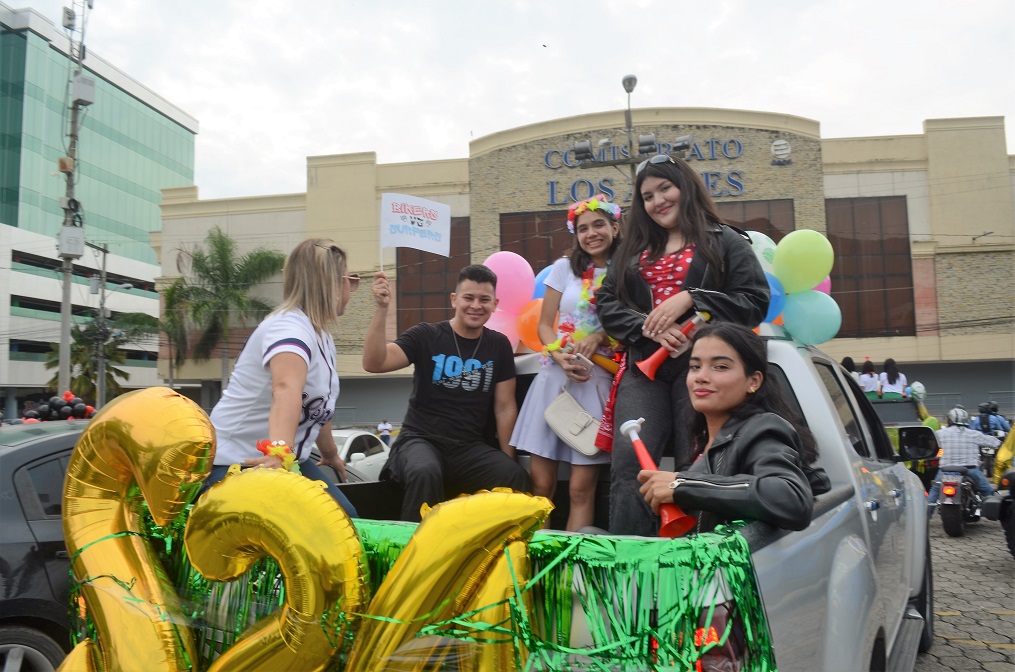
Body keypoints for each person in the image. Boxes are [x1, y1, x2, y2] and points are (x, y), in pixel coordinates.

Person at [596, 154, 769, 536]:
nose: (657, 201)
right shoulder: (629, 251)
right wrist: (647, 327)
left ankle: (699, 558)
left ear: (685, 186)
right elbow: (607, 304)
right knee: (629, 465)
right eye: (647, 196)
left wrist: (694, 297)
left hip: (704, 367)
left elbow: (754, 302)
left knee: (699, 465)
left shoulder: (726, 241)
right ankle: (628, 563)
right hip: (645, 368)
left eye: (665, 188)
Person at [200, 238, 358, 516]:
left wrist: (331, 454)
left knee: (346, 518)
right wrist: (277, 455)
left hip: (284, 460)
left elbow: (318, 409)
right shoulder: (288, 328)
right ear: (332, 283)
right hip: (234, 463)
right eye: (350, 280)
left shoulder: (321, 336)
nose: (352, 288)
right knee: (322, 530)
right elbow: (286, 389)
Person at [364, 264, 530, 522]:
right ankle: (414, 554)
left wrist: (507, 458)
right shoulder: (426, 335)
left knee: (513, 476)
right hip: (420, 440)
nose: (476, 305)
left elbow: (505, 407)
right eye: (468, 298)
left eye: (484, 299)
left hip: (469, 448)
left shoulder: (498, 345)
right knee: (425, 471)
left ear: (495, 303)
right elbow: (374, 363)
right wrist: (382, 309)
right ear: (454, 300)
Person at [638, 323, 825, 534]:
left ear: (753, 381)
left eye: (720, 367)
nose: (701, 376)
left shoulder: (762, 429)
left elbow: (792, 499)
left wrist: (682, 485)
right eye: (695, 366)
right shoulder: (705, 441)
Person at [509, 194, 621, 531]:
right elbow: (545, 325)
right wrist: (558, 354)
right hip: (553, 380)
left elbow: (632, 325)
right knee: (541, 487)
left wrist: (600, 336)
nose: (591, 233)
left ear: (615, 227)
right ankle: (532, 567)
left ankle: (572, 576)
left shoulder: (627, 271)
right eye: (583, 228)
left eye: (599, 225)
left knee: (580, 489)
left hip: (597, 382)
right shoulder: (563, 269)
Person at [927, 406, 1000, 508]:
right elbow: (995, 443)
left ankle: (926, 516)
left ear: (950, 420)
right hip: (970, 469)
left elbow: (930, 446)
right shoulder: (973, 434)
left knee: (935, 490)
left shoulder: (939, 434)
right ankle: (994, 510)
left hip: (945, 470)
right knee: (987, 490)